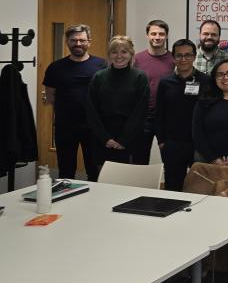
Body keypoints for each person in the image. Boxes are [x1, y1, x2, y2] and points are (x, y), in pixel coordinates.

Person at [43, 24, 105, 181]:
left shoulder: (102, 65)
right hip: (65, 127)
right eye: (74, 40)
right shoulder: (55, 68)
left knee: (95, 169)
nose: (78, 44)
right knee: (66, 170)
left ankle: (94, 204)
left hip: (94, 127)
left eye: (82, 40)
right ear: (67, 41)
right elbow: (50, 97)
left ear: (89, 42)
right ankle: (65, 203)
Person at [85, 36, 149, 168]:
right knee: (104, 182)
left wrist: (123, 140)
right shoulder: (99, 77)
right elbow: (91, 111)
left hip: (131, 140)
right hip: (103, 140)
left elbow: (140, 112)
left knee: (129, 183)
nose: (119, 56)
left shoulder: (140, 77)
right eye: (114, 52)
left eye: (124, 52)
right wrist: (105, 139)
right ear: (109, 55)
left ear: (131, 54)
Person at [155, 39, 209, 191]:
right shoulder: (165, 82)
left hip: (199, 144)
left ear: (194, 56)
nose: (183, 59)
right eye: (179, 55)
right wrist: (161, 141)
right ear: (173, 57)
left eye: (187, 55)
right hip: (172, 144)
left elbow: (210, 113)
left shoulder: (205, 81)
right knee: (173, 186)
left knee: (200, 186)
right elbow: (159, 113)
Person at [192, 60, 228, 167]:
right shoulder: (204, 100)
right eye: (220, 74)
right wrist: (214, 159)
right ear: (214, 78)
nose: (225, 77)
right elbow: (197, 133)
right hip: (206, 161)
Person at [132, 19, 174, 165]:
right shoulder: (136, 59)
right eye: (153, 33)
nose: (157, 37)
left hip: (167, 118)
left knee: (170, 162)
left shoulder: (174, 59)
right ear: (147, 35)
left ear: (167, 36)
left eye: (161, 34)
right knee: (139, 161)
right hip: (143, 118)